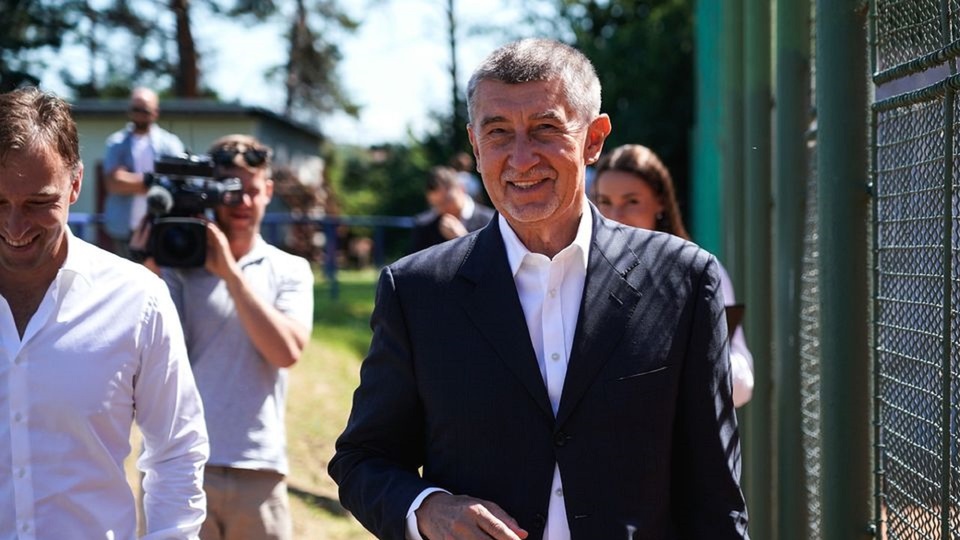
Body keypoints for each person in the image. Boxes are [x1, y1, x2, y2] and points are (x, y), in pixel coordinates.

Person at [329, 38, 749, 540]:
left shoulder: (684, 279)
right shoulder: (417, 291)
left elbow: (715, 495)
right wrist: (428, 509)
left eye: (545, 129)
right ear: (475, 145)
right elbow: (362, 460)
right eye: (498, 133)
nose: (521, 158)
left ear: (594, 139)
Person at [0, 87, 208, 537]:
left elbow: (176, 451)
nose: (14, 226)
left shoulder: (138, 301)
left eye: (38, 203)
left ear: (75, 184)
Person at [159, 134, 314, 540]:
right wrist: (149, 261)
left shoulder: (290, 269)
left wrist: (230, 273)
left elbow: (286, 352)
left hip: (258, 468)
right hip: (183, 463)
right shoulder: (178, 267)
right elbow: (154, 358)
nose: (242, 202)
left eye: (251, 190)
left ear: (268, 191)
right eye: (229, 191)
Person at [593, 143, 755, 407]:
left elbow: (742, 385)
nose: (615, 216)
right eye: (605, 202)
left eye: (632, 201)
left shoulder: (697, 271)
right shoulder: (578, 272)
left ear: (660, 202)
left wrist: (691, 356)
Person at [102, 86, 184, 258]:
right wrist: (152, 182)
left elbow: (177, 183)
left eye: (144, 110)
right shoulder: (116, 142)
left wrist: (131, 181)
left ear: (155, 112)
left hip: (160, 226)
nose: (139, 115)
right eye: (135, 109)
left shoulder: (170, 143)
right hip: (123, 228)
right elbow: (114, 184)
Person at [410, 164, 495, 253]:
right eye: (436, 205)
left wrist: (462, 239)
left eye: (446, 201)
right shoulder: (424, 225)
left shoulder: (491, 220)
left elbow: (496, 258)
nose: (442, 209)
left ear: (462, 189)